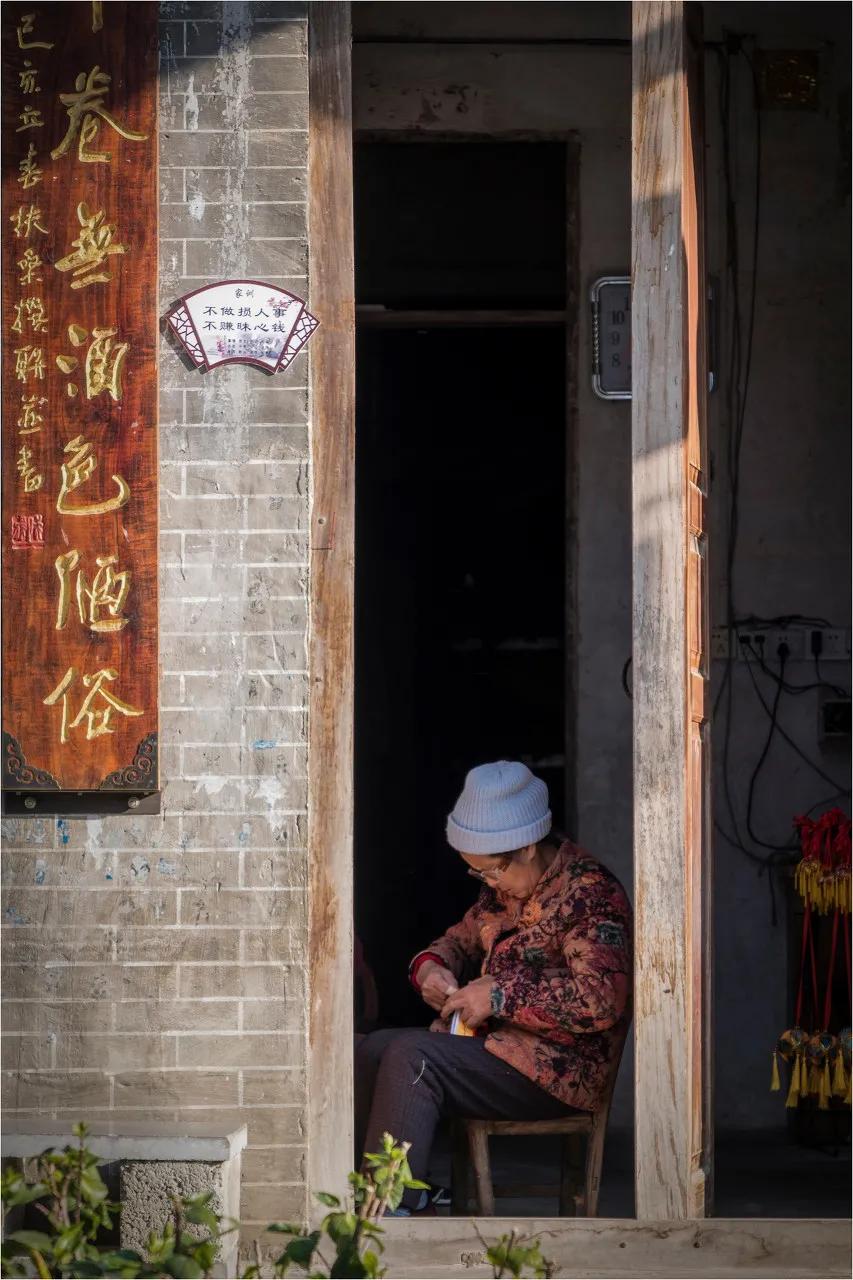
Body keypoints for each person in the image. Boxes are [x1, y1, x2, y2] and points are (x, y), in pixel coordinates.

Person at [355, 760, 633, 1214]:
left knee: (413, 1058)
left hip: (557, 1069)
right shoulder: (502, 890)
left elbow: (601, 1000)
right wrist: (430, 969)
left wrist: (499, 994)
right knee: (369, 1050)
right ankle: (381, 1198)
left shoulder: (589, 896)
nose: (488, 882)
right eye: (477, 874)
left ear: (527, 847)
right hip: (493, 1051)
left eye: (492, 870)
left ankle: (387, 1212)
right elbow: (456, 941)